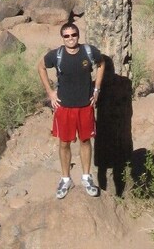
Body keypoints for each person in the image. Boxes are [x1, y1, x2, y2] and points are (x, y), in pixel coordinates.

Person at [38, 21, 105, 199]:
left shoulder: (89, 52)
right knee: (64, 143)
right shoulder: (57, 55)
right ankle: (65, 178)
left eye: (73, 35)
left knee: (85, 141)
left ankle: (86, 177)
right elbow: (41, 67)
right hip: (64, 106)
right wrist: (50, 93)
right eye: (66, 36)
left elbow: (101, 63)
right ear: (63, 38)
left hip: (85, 105)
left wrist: (97, 89)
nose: (70, 38)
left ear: (78, 36)